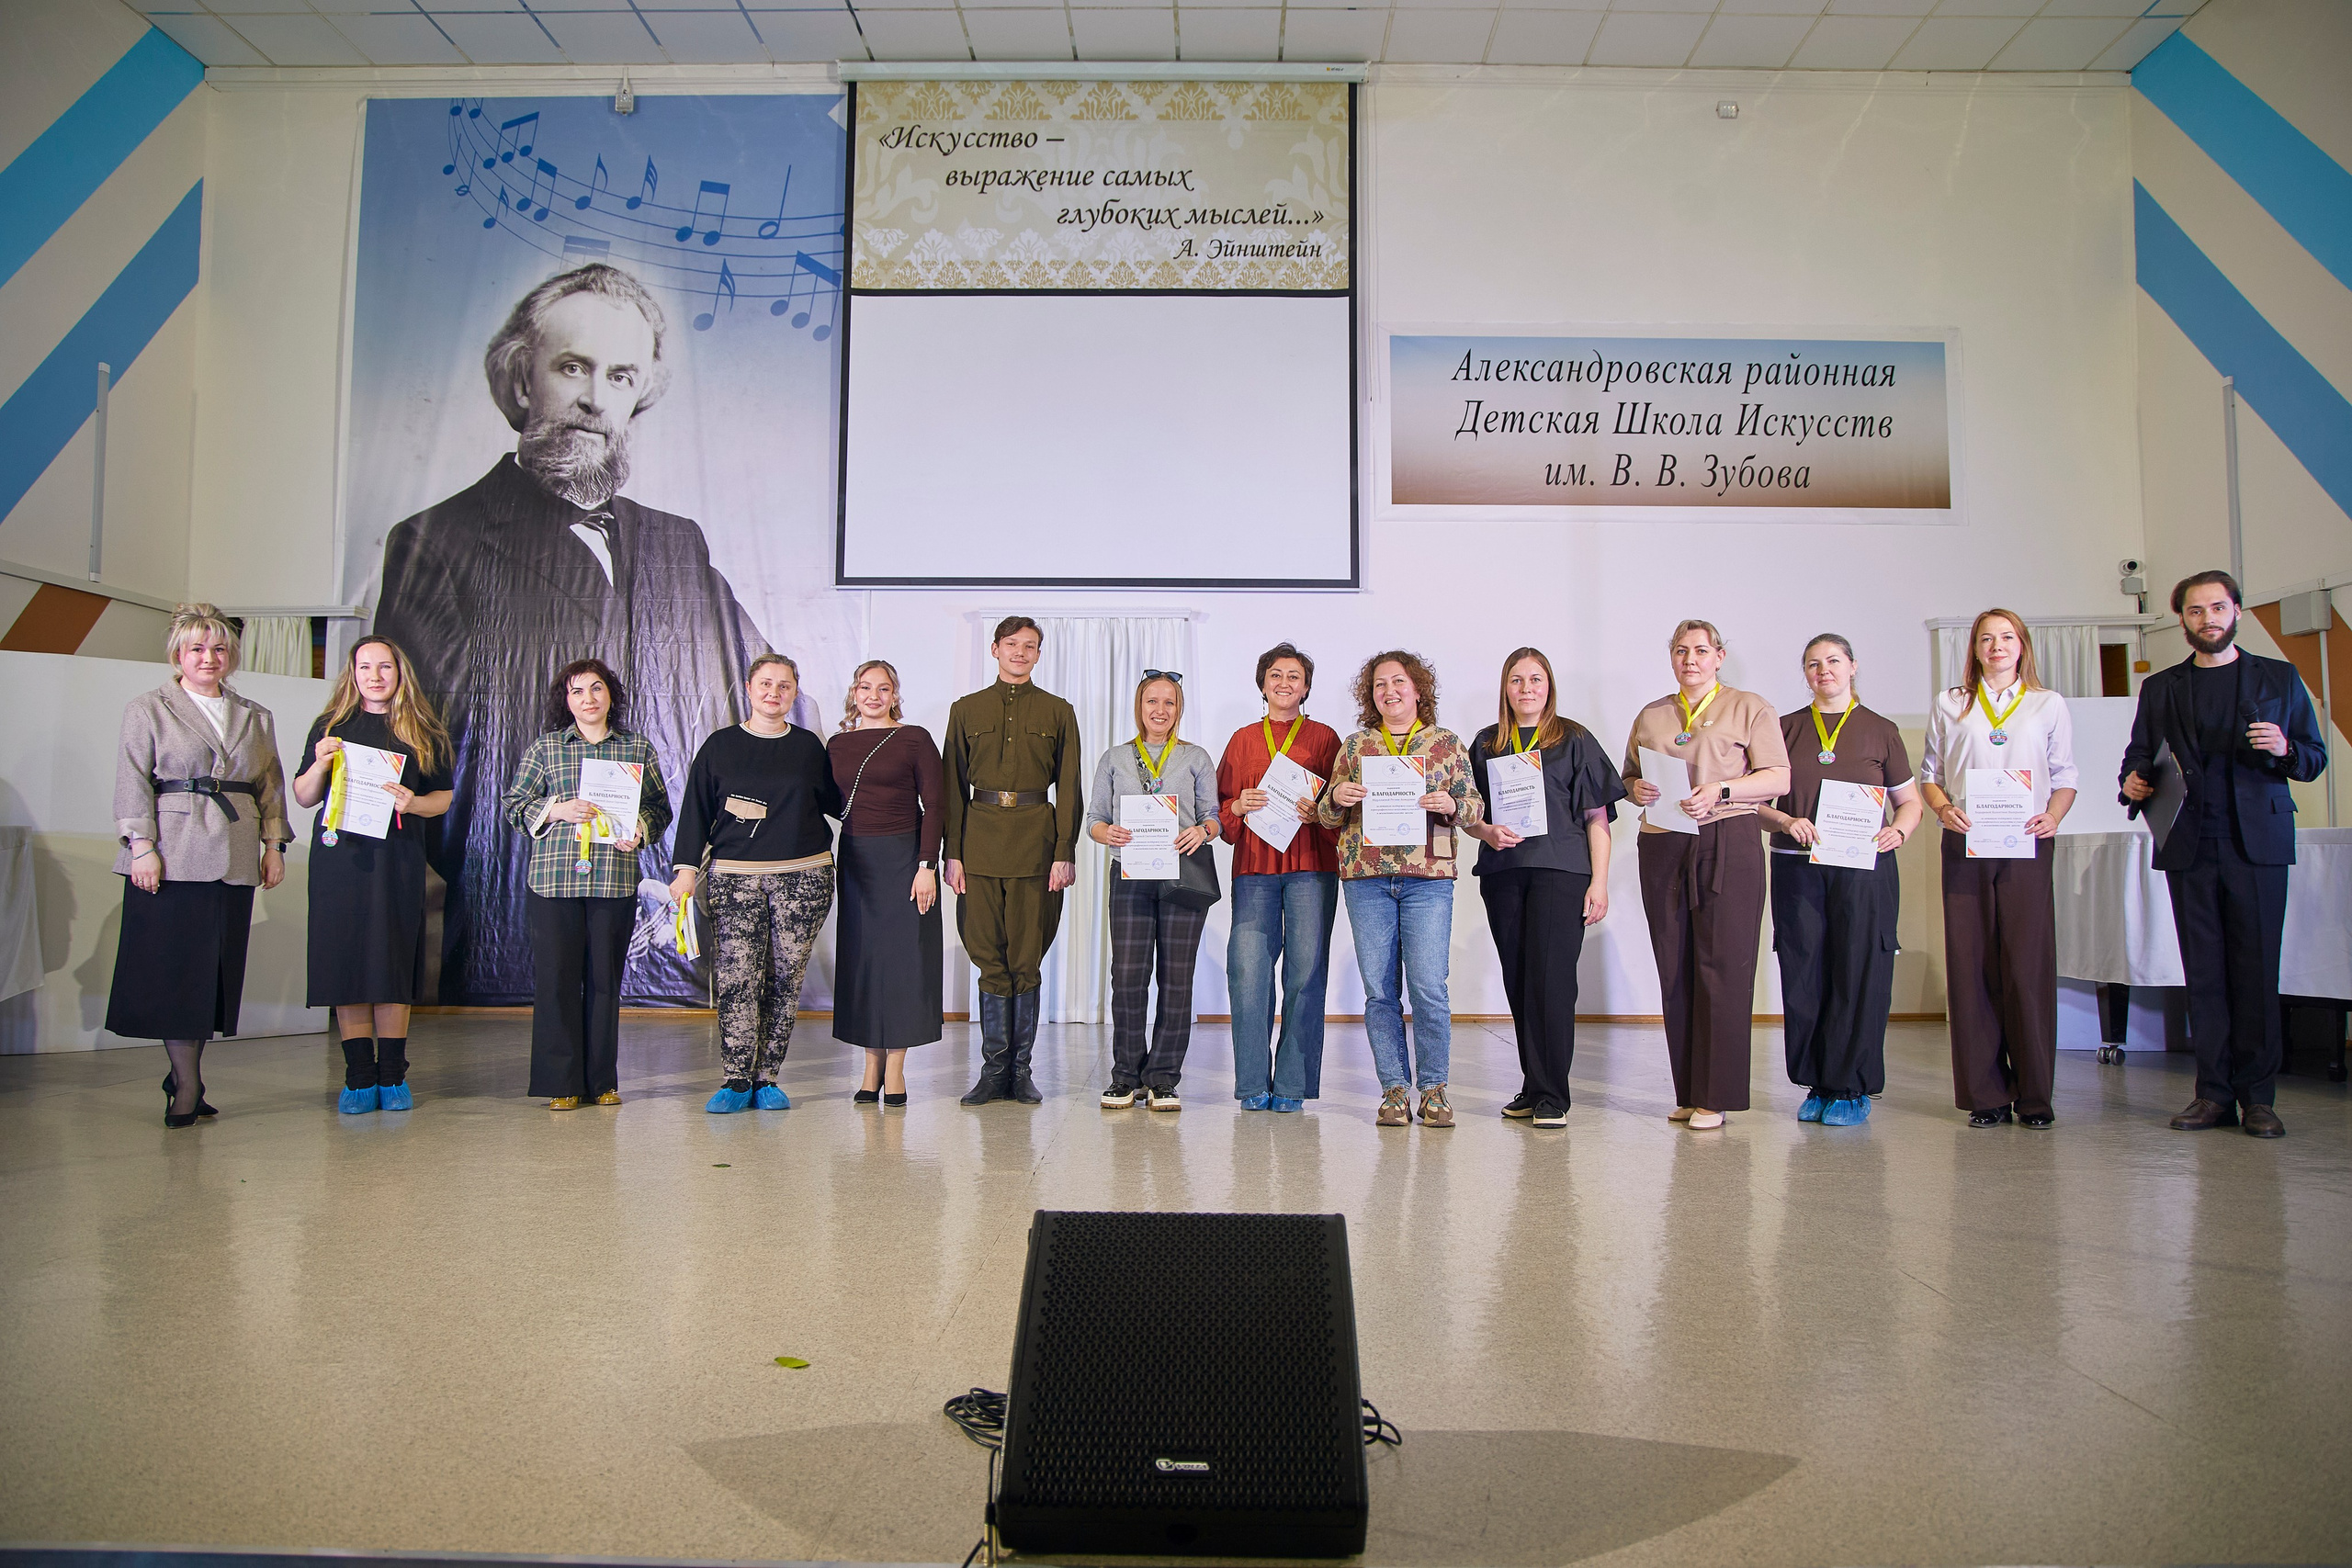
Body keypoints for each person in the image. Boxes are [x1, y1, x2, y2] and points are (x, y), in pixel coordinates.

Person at [374, 262, 780, 1008]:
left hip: (647, 874)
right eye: (572, 367)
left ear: (640, 396)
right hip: (520, 896)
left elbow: (761, 692)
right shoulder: (438, 539)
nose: (595, 399)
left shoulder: (674, 541)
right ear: (522, 380)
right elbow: (430, 740)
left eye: (621, 377)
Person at [2121, 570, 2327, 1139]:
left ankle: (2259, 1098)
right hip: (2190, 844)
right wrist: (2134, 782)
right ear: (2181, 619)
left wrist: (2285, 749)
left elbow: (2313, 757)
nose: (2207, 619)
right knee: (2204, 975)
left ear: (2236, 611)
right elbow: (2139, 755)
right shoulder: (2162, 687)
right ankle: (2212, 1094)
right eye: (2194, 611)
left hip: (2256, 844)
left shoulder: (2279, 677)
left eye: (2217, 608)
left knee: (2256, 972)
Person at [108, 604, 292, 1127]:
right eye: (196, 648)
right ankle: (186, 1083)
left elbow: (271, 787)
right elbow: (132, 778)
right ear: (178, 655)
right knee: (176, 974)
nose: (208, 658)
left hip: (233, 855)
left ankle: (187, 1074)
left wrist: (273, 845)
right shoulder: (149, 707)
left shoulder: (255, 715)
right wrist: (141, 846)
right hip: (172, 853)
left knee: (212, 973)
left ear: (230, 655)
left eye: (218, 649)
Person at [1622, 620, 1789, 1132]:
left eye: (1699, 650)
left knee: (1723, 967)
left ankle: (1716, 1096)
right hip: (1662, 843)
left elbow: (1778, 776)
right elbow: (1629, 777)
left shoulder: (1749, 706)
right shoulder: (1652, 715)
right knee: (1675, 966)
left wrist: (1721, 791)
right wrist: (1635, 791)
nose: (1689, 659)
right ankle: (1689, 1090)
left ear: (1718, 656)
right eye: (1679, 651)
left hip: (1727, 841)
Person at [1918, 609, 2076, 1129]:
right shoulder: (1951, 703)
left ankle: (2034, 1097)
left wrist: (2052, 816)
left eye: (2006, 637)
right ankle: (1985, 1095)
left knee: (2026, 967)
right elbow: (1931, 775)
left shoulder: (2047, 704)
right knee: (1971, 967)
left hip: (2026, 846)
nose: (1996, 646)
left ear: (2022, 645)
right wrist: (1943, 809)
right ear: (1975, 648)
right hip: (1965, 843)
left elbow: (2065, 777)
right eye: (1986, 639)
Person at [1756, 634, 1922, 1126]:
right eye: (1812, 663)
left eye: (1832, 661)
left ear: (1852, 667)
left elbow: (1908, 801)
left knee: (1858, 970)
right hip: (1796, 867)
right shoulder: (1782, 729)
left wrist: (1899, 830)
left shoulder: (1880, 731)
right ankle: (1817, 1082)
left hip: (1863, 869)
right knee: (1805, 972)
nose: (1822, 670)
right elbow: (1754, 800)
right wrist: (1785, 822)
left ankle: (1851, 1088)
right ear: (1804, 673)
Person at [288, 637, 456, 1114]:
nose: (375, 675)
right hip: (341, 860)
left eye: (384, 666)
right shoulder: (332, 727)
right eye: (365, 667)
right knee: (347, 961)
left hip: (397, 858)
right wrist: (320, 762)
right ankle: (359, 1074)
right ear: (352, 672)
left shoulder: (423, 729)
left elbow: (442, 797)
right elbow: (302, 796)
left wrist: (413, 803)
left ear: (399, 673)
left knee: (390, 960)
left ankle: (392, 1073)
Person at [1317, 651, 1483, 1129]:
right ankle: (1393, 1089)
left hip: (1428, 880)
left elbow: (1472, 809)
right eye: (1379, 685)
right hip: (1366, 879)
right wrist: (1337, 797)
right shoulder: (1356, 746)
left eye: (1399, 682)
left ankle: (1433, 1089)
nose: (1389, 692)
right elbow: (1326, 816)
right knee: (1380, 991)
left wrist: (1451, 802)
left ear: (1418, 689)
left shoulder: (1446, 744)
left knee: (1429, 988)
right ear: (1371, 696)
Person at [669, 655, 841, 1114]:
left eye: (784, 686)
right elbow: (695, 813)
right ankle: (736, 1078)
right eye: (766, 684)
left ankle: (768, 1078)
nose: (774, 693)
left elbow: (840, 803)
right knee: (738, 977)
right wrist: (686, 868)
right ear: (748, 688)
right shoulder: (719, 746)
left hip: (804, 878)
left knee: (785, 979)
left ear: (794, 692)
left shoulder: (808, 746)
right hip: (735, 879)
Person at [1464, 648, 1625, 1130]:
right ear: (1505, 688)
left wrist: (1599, 882)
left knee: (1552, 981)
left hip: (1562, 873)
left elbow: (1597, 817)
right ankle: (1533, 1086)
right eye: (1517, 680)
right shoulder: (1487, 743)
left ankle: (1554, 1093)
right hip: (1505, 875)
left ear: (1549, 686)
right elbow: (1470, 816)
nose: (1527, 688)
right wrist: (1487, 833)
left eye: (1536, 679)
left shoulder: (1573, 739)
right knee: (1519, 980)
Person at [503, 659, 673, 1110]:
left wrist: (640, 828)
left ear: (610, 695)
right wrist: (556, 811)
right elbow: (514, 804)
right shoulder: (547, 748)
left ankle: (602, 1081)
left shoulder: (636, 748)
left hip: (613, 882)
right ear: (567, 700)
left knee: (603, 983)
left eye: (597, 689)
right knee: (557, 981)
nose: (588, 699)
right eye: (577, 691)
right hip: (554, 881)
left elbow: (660, 807)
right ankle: (562, 1083)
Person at [943, 617, 1083, 1106]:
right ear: (995, 649)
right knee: (987, 956)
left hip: (1035, 845)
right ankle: (992, 1071)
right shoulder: (966, 710)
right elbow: (952, 789)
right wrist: (952, 853)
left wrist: (1064, 851)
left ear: (1039, 654)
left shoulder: (1058, 711)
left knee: (1026, 958)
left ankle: (1020, 1072)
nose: (1020, 653)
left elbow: (1069, 787)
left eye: (1030, 647)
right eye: (1012, 645)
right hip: (978, 842)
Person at [1216, 643, 1341, 1113]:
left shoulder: (1327, 738)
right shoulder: (1243, 739)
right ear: (1262, 682)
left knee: (1305, 974)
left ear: (1306, 687)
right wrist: (1237, 807)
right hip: (1254, 868)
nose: (1284, 682)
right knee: (1248, 971)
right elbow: (1220, 808)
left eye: (1294, 676)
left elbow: (1341, 807)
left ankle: (1292, 1083)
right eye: (1276, 674)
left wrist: (1322, 810)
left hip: (1311, 866)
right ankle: (1252, 1081)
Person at [1086, 671, 1220, 1111]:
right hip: (1130, 875)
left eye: (1169, 703)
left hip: (1182, 875)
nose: (1160, 710)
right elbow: (1093, 821)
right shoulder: (1115, 758)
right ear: (1139, 707)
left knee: (1176, 980)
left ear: (1180, 709)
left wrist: (1203, 831)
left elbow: (1214, 817)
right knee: (1127, 979)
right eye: (1152, 702)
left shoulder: (1196, 757)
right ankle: (1126, 1076)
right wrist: (1109, 834)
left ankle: (1163, 1078)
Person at [829, 660, 946, 1108]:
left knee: (902, 963)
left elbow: (935, 804)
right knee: (864, 961)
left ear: (895, 694)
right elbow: (824, 800)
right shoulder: (837, 744)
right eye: (865, 687)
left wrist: (926, 865)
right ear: (854, 693)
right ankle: (869, 1065)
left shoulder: (914, 738)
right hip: (857, 859)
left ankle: (895, 1067)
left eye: (883, 688)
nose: (873, 696)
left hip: (905, 859)